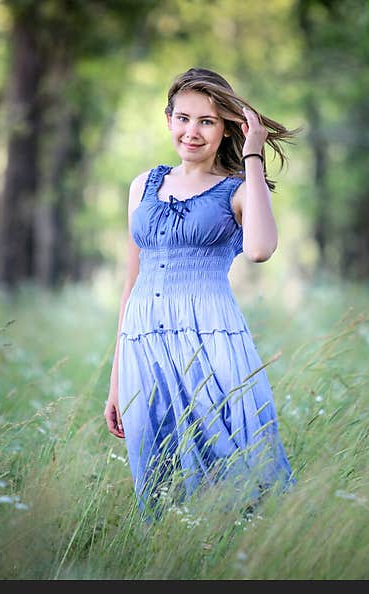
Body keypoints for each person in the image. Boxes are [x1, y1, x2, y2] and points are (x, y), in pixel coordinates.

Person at [104, 68, 302, 520]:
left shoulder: (235, 190)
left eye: (207, 121)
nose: (192, 132)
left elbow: (259, 249)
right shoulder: (143, 186)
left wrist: (253, 155)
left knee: (232, 459)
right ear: (169, 119)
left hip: (209, 339)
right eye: (183, 118)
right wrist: (116, 381)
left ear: (226, 127)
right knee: (158, 468)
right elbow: (130, 285)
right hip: (144, 343)